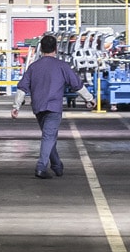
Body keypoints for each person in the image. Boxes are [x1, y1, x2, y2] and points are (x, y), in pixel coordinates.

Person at [15, 34, 82, 179]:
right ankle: (41, 167)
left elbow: (22, 88)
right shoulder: (62, 66)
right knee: (49, 136)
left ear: (41, 49)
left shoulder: (33, 67)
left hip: (38, 107)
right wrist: (90, 99)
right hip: (54, 107)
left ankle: (57, 165)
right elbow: (76, 84)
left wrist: (16, 106)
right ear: (56, 48)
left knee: (49, 136)